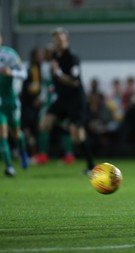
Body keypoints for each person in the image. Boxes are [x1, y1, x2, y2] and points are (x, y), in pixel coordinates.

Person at [33, 27, 95, 174]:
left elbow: (74, 82)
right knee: (44, 125)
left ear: (66, 40)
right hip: (62, 99)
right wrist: (53, 87)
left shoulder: (72, 57)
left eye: (60, 39)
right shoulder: (54, 55)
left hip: (76, 100)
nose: (58, 42)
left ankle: (91, 166)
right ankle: (67, 129)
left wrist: (59, 73)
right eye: (55, 40)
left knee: (77, 136)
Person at [0, 35, 29, 177]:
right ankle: (9, 167)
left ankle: (23, 151)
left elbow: (24, 73)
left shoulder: (9, 54)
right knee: (2, 134)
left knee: (16, 133)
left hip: (11, 101)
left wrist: (11, 72)